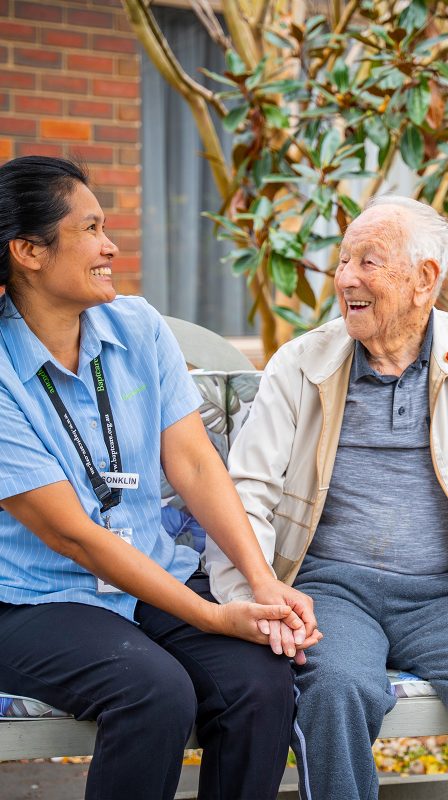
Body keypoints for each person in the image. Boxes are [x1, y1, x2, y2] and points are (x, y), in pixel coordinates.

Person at [205, 196, 448, 800]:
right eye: (342, 262)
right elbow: (247, 491)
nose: (345, 279)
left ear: (424, 279)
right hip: (331, 590)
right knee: (338, 692)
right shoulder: (301, 365)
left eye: (368, 262)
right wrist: (253, 592)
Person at [0, 155, 320, 800]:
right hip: (32, 600)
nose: (109, 245)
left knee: (260, 684)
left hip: (151, 576)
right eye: (89, 230)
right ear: (29, 251)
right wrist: (209, 615)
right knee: (152, 692)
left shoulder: (138, 326)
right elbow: (75, 537)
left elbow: (197, 462)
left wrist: (261, 585)